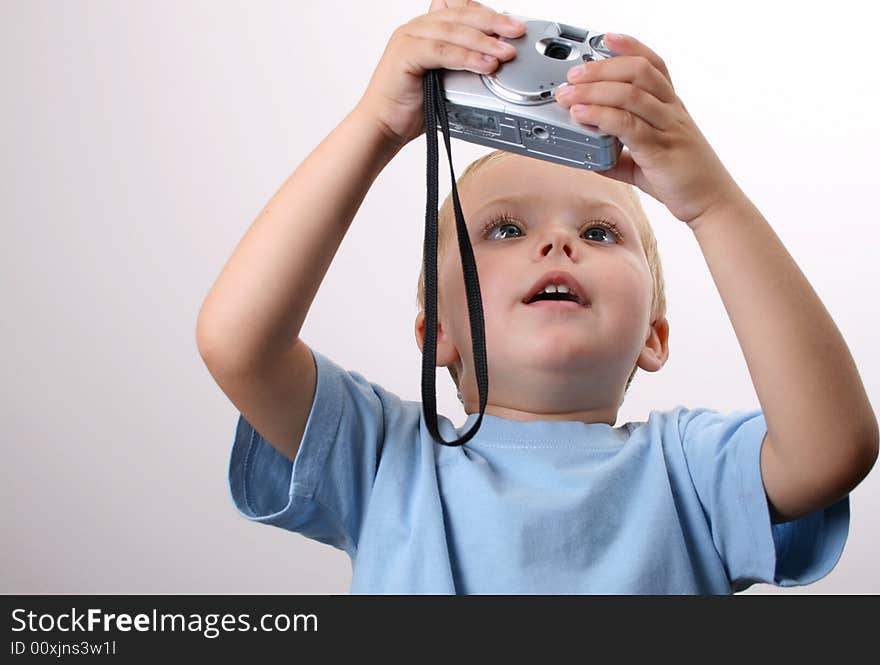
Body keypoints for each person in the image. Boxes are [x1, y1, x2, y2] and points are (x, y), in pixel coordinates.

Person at [196, 0, 877, 593]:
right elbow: (239, 343)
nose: (558, 244)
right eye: (507, 228)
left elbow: (834, 448)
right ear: (437, 331)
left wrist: (711, 204)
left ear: (654, 336)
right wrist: (378, 125)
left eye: (601, 231)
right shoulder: (382, 456)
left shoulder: (690, 470)